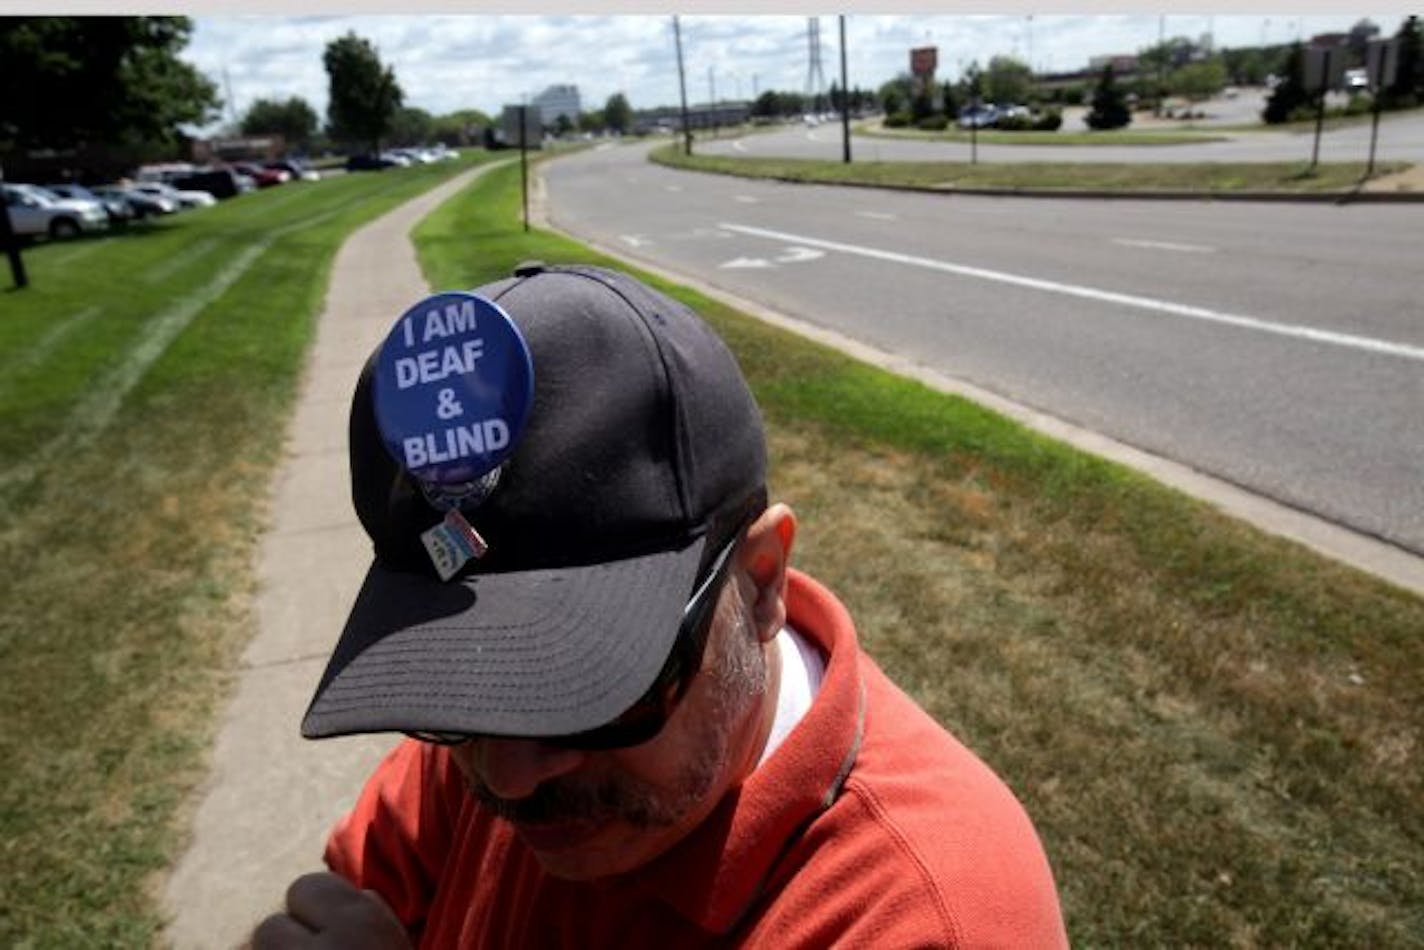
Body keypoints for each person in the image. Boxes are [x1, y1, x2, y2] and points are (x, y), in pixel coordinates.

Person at [252, 263, 1068, 948]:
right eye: (460, 697)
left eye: (589, 688)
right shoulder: (479, 749)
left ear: (761, 582)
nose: (505, 776)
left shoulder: (921, 915)